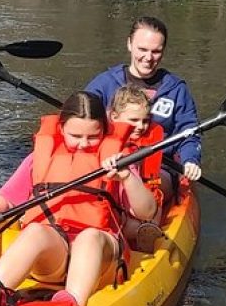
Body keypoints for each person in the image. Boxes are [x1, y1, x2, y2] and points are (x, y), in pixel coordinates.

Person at [0, 91, 157, 306]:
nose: (83, 144)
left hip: (101, 256)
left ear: (104, 131)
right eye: (75, 135)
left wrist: (126, 177)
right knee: (35, 230)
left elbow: (147, 212)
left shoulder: (117, 160)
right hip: (53, 257)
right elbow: (6, 197)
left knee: (89, 237)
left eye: (93, 137)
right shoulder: (40, 158)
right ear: (61, 128)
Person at [85, 16, 202, 198]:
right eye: (142, 49)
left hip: (158, 168)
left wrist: (190, 160)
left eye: (156, 51)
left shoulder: (176, 89)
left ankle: (145, 217)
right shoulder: (104, 83)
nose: (148, 58)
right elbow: (80, 119)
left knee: (144, 184)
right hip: (108, 162)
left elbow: (189, 132)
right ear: (130, 44)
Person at [108, 84, 165, 252]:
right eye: (134, 120)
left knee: (155, 211)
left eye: (145, 120)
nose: (141, 126)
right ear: (114, 117)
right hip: (115, 203)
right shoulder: (100, 138)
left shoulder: (149, 138)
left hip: (142, 197)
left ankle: (145, 234)